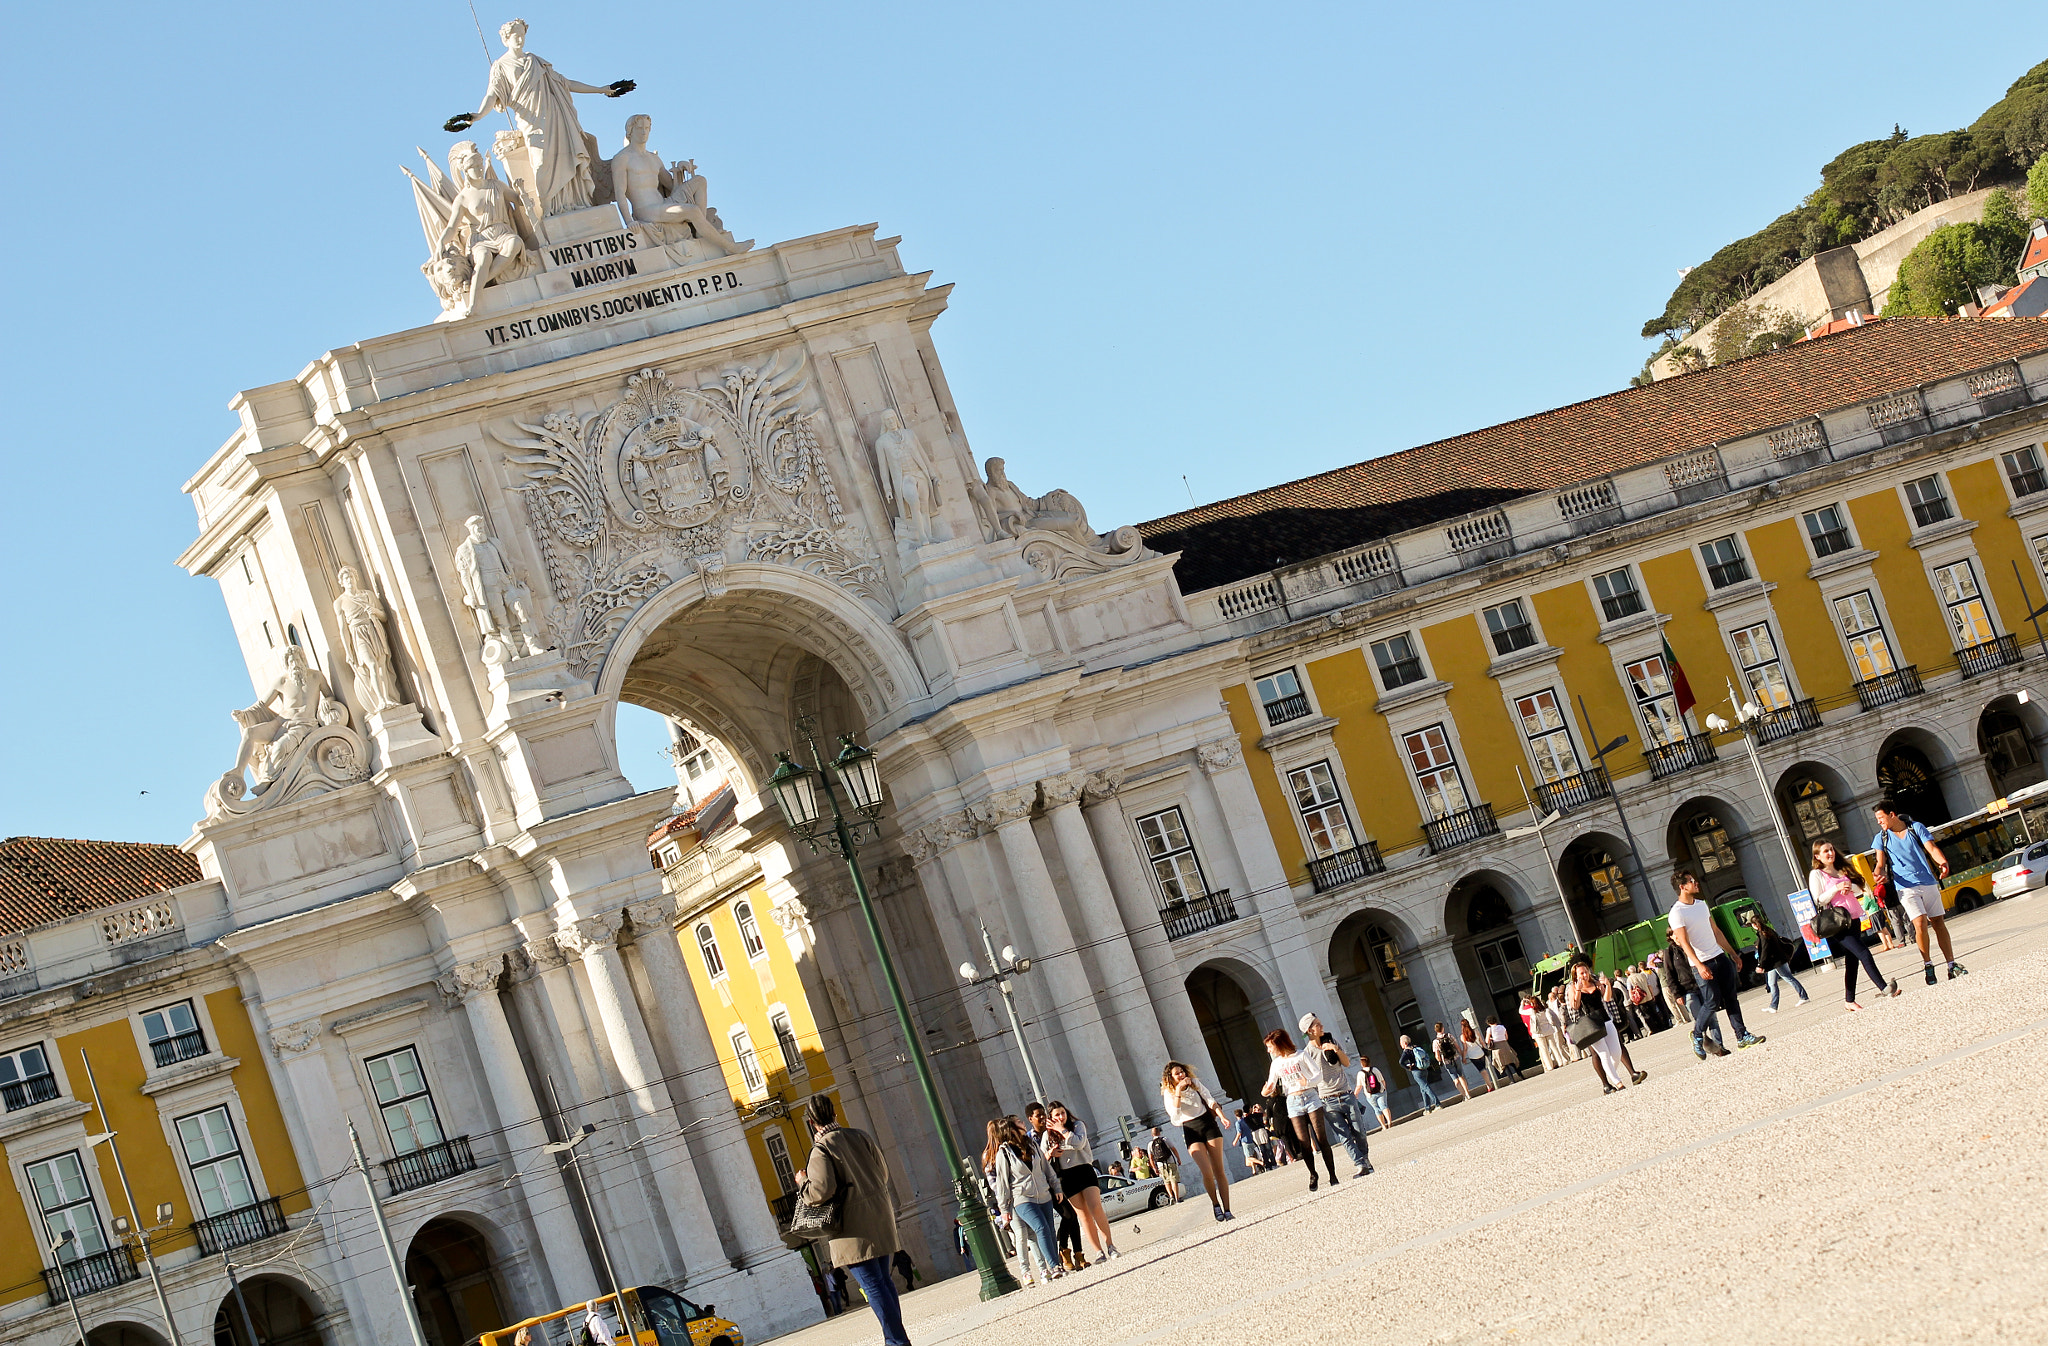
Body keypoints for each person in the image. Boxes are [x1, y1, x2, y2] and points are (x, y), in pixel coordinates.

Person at [799, 1093, 908, 1346]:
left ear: (811, 1122)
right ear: (835, 1114)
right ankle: (896, 1339)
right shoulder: (860, 1136)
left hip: (852, 1230)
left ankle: (897, 1342)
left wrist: (803, 1182)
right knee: (884, 1282)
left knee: (873, 1286)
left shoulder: (821, 1150)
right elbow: (882, 1173)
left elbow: (820, 1190)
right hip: (880, 1219)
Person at [1869, 798, 1969, 985]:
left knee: (1938, 922)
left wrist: (1943, 863)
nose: (1879, 822)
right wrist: (1877, 875)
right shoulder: (1880, 838)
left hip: (1928, 881)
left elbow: (1931, 848)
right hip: (1905, 887)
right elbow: (1880, 864)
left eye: (1881, 818)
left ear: (1892, 815)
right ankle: (1928, 965)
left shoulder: (1916, 828)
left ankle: (1951, 965)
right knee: (1919, 922)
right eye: (1877, 819)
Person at [1668, 869, 1765, 1052]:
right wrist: (1699, 965)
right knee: (1712, 1002)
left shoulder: (1702, 904)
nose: (1696, 883)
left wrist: (1733, 954)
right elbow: (1684, 943)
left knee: (1731, 999)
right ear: (1682, 887)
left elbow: (1716, 931)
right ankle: (1697, 1034)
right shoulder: (1677, 913)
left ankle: (1742, 1036)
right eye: (1691, 881)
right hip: (1703, 963)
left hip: (1719, 957)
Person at [1810, 840, 1900, 1010]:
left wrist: (1848, 887)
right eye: (1825, 851)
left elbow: (1861, 888)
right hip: (1837, 922)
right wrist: (1836, 888)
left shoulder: (1841, 869)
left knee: (1852, 960)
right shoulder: (1817, 874)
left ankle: (1849, 1000)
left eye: (1831, 849)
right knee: (1864, 953)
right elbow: (1819, 899)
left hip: (1854, 917)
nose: (1830, 853)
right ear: (1817, 856)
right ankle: (1885, 988)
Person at [1260, 1028, 1341, 1191]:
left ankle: (1332, 1175)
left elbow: (1318, 1075)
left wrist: (1308, 1083)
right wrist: (1265, 1090)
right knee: (1303, 1140)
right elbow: (1271, 1083)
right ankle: (1313, 1174)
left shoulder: (1301, 1055)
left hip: (1310, 1096)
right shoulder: (1276, 1063)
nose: (1268, 1050)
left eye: (1270, 1046)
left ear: (1278, 1044)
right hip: (1293, 1100)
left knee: (1321, 1137)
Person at [988, 1115, 1063, 1285]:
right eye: (1019, 1123)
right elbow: (1003, 1184)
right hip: (1022, 1198)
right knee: (1040, 1228)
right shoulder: (1004, 1153)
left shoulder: (1032, 1144)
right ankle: (1053, 1267)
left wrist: (1056, 1187)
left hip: (1043, 1194)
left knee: (1050, 1230)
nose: (1023, 1124)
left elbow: (1046, 1167)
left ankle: (1056, 1265)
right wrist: (1005, 1210)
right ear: (1011, 1128)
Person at [1300, 1013, 1373, 1177]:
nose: (1322, 1026)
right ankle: (1360, 1164)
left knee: (1359, 1132)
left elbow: (1346, 1063)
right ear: (1310, 1030)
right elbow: (1308, 1080)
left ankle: (1365, 1160)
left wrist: (1335, 1049)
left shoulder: (1331, 1041)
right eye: (1318, 1025)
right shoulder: (1307, 1054)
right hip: (1327, 1100)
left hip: (1346, 1093)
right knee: (1344, 1136)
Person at [1043, 1102, 1117, 1262]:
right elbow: (1042, 1159)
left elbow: (1079, 1143)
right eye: (1056, 1115)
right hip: (1065, 1175)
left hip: (1084, 1169)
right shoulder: (1046, 1135)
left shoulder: (1077, 1125)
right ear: (1050, 1117)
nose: (1061, 1117)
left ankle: (1110, 1245)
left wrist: (1061, 1129)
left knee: (1095, 1207)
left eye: (1063, 1113)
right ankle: (1098, 1251)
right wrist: (1050, 1153)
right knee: (1083, 1216)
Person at [1160, 1061, 1234, 1221]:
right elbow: (1175, 1115)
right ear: (1170, 1078)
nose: (1181, 1075)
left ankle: (1227, 1209)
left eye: (1182, 1072)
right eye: (1177, 1074)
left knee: (1219, 1170)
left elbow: (1210, 1100)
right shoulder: (1169, 1092)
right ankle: (1216, 1205)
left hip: (1208, 1124)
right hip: (1191, 1129)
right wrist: (1178, 1090)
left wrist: (1222, 1117)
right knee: (1206, 1171)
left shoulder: (1195, 1084)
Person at [1565, 957, 1646, 1094]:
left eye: (1586, 972)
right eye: (1581, 973)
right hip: (1591, 1024)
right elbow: (1575, 1006)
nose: (1585, 975)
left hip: (1606, 1020)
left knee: (1616, 1052)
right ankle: (1618, 1083)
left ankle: (1610, 1075)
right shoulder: (1572, 987)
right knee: (1603, 1054)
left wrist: (1607, 985)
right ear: (1576, 975)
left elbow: (1607, 998)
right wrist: (1578, 991)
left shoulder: (1595, 982)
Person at [1740, 908, 1810, 1012]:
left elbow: (1765, 951)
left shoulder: (1763, 935)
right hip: (1775, 962)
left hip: (1777, 962)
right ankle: (1773, 1006)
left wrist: (1761, 965)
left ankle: (1804, 997)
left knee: (1788, 978)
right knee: (1772, 983)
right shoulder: (1768, 931)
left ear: (1755, 925)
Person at [1432, 1021, 1474, 1102]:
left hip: (1447, 1061)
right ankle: (1468, 1093)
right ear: (1442, 1028)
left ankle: (1464, 1095)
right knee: (1461, 1075)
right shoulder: (1449, 1036)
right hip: (1456, 1058)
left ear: (1436, 1030)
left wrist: (1440, 1061)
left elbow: (1437, 1055)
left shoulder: (1435, 1042)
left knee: (1455, 1080)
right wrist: (1463, 1056)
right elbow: (1457, 1047)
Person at [1400, 1034, 1442, 1112]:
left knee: (1425, 1087)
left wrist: (1408, 1067)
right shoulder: (1416, 1047)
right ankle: (1427, 1108)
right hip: (1424, 1069)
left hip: (1416, 1071)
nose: (1401, 1044)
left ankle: (1437, 1104)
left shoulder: (1406, 1051)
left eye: (1401, 1043)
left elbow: (1401, 1062)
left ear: (1405, 1043)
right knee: (1423, 1089)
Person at [1355, 1055, 1395, 1129]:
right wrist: (1384, 1089)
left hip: (1369, 1095)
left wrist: (1355, 1094)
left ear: (1361, 1064)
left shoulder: (1360, 1074)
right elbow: (1382, 1080)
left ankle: (1383, 1126)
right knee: (1384, 1106)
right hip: (1380, 1091)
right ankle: (1389, 1122)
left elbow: (1359, 1086)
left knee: (1376, 1109)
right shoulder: (1375, 1069)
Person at [1146, 1126, 1182, 1203]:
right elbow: (1173, 1149)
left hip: (1160, 1165)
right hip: (1170, 1162)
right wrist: (1178, 1159)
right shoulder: (1165, 1139)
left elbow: (1151, 1158)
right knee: (1173, 1180)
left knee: (1166, 1181)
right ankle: (1177, 1197)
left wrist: (1154, 1168)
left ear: (1152, 1135)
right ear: (1159, 1133)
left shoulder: (1150, 1144)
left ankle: (1171, 1196)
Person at [1485, 1016, 1523, 1082]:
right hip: (1505, 1045)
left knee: (1503, 1064)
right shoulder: (1502, 1027)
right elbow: (1506, 1037)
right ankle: (1521, 1076)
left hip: (1497, 1047)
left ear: (1488, 1023)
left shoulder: (1489, 1029)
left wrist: (1492, 1039)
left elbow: (1487, 1040)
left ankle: (1512, 1080)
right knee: (1512, 1061)